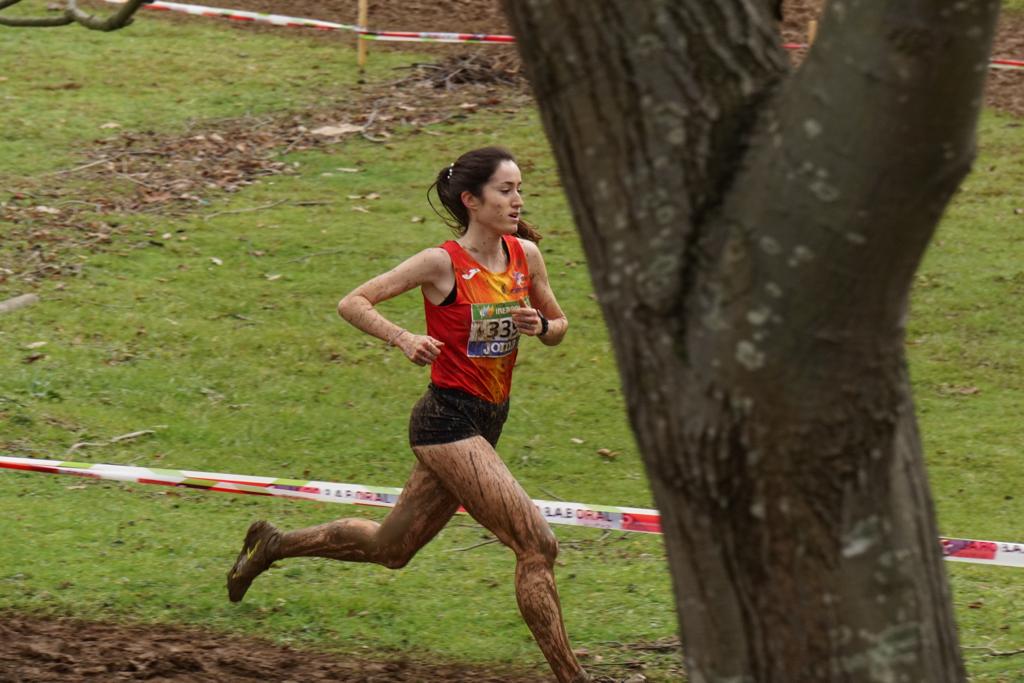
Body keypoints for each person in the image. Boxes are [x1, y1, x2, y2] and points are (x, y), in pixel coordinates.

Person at [226, 146, 590, 683]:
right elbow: (353, 302)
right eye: (505, 190)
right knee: (536, 544)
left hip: (489, 422)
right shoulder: (440, 263)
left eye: (519, 189)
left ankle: (274, 544)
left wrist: (542, 326)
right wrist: (402, 337)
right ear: (471, 200)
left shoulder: (525, 256)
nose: (517, 200)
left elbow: (559, 326)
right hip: (446, 423)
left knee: (390, 548)